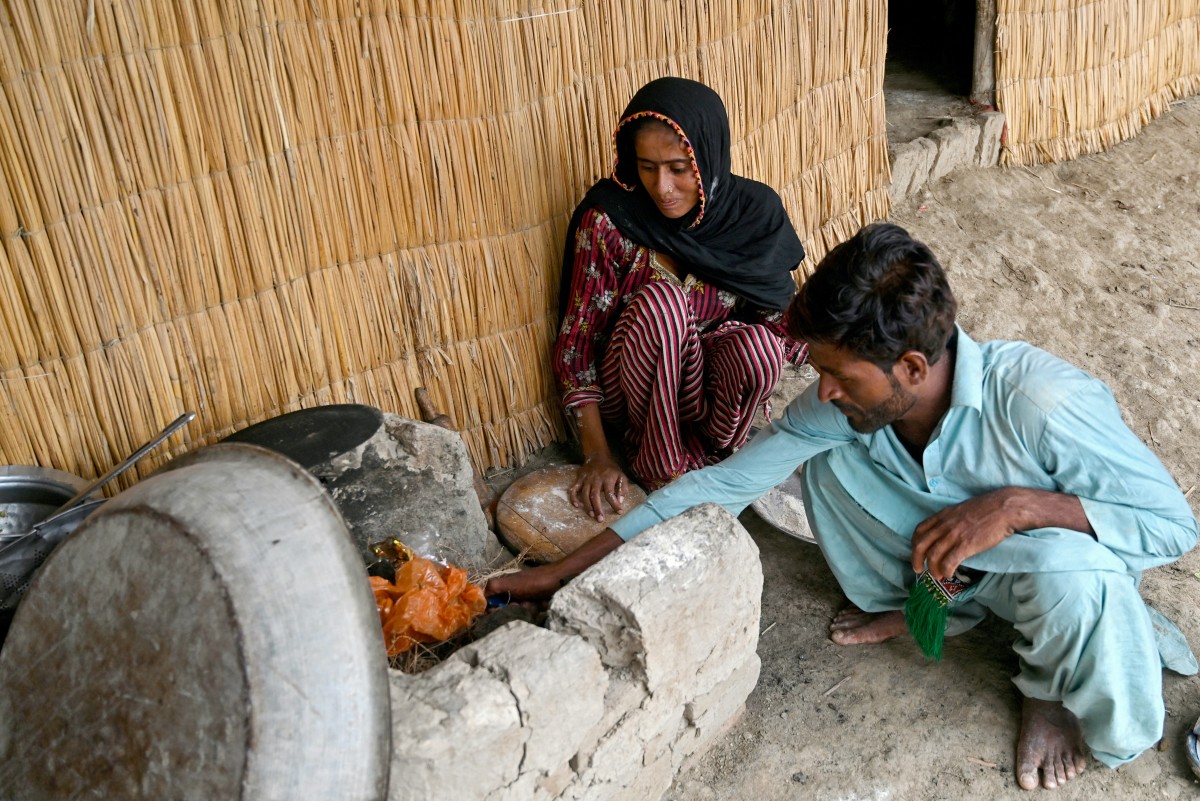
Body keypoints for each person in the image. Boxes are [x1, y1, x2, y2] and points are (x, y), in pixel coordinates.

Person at [488, 222, 1199, 790]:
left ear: (912, 369)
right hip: (955, 570)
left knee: (1065, 573)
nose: (822, 388)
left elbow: (1172, 525)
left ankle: (1047, 688)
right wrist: (557, 574)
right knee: (817, 452)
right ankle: (934, 606)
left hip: (1052, 575)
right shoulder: (855, 403)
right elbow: (718, 485)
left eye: (837, 372)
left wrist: (1015, 506)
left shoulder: (1042, 401)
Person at [553, 76, 808, 521]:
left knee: (760, 348)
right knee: (663, 305)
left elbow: (783, 324)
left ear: (707, 157)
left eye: (677, 167)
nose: (662, 187)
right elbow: (576, 349)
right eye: (647, 167)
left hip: (709, 396)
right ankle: (662, 468)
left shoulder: (753, 213)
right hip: (632, 387)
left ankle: (720, 453)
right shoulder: (610, 219)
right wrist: (596, 455)